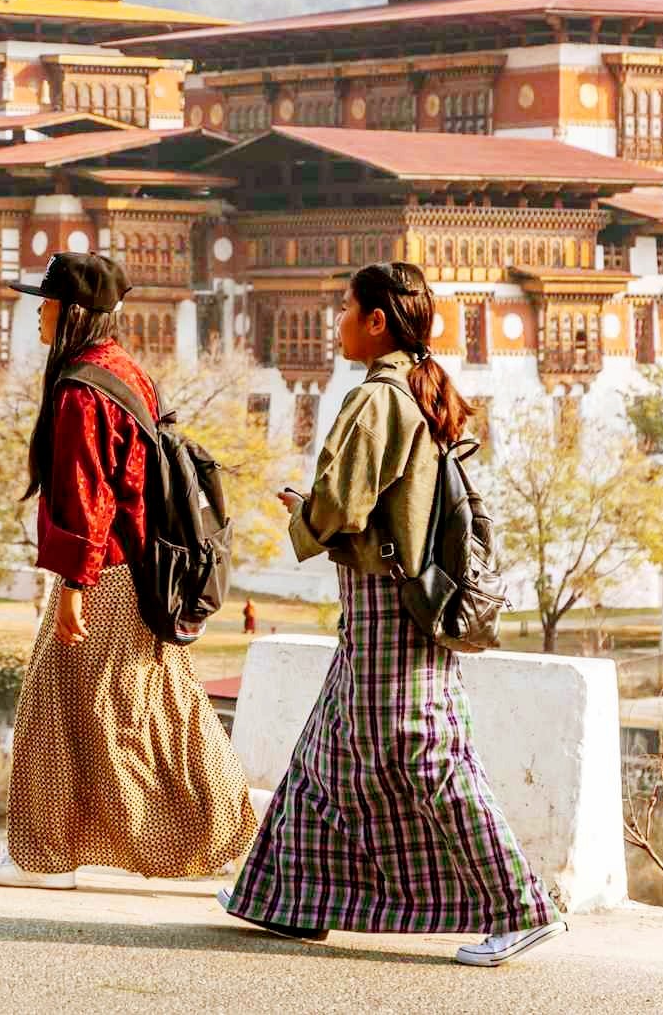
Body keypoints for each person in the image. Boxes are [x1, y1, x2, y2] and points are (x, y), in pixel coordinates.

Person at [220, 261, 565, 967]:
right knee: (327, 756)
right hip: (388, 600)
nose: (336, 322)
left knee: (423, 754)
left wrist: (305, 516)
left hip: (388, 605)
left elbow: (343, 502)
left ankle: (520, 905)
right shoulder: (412, 387)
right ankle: (288, 902)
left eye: (345, 309)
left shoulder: (377, 397)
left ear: (377, 321)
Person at [0, 251, 258, 888]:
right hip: (141, 570)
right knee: (158, 706)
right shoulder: (125, 370)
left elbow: (88, 494)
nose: (38, 315)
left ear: (71, 312)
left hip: (106, 575)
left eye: (44, 303)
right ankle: (224, 836)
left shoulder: (80, 390)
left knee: (54, 703)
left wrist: (74, 585)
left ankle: (43, 857)